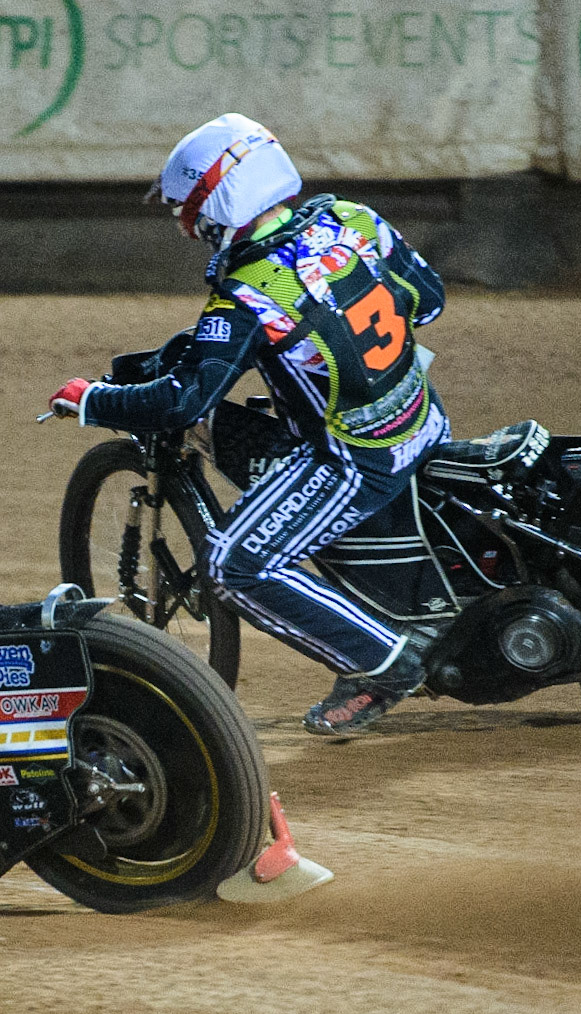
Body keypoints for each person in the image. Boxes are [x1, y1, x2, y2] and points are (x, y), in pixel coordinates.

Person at [47, 114, 450, 736]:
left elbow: (183, 401)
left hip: (357, 457)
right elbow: (427, 299)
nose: (191, 227)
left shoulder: (247, 293)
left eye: (191, 212)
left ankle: (385, 663)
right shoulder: (349, 217)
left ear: (220, 201)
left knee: (238, 564)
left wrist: (94, 401)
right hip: (421, 416)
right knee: (260, 428)